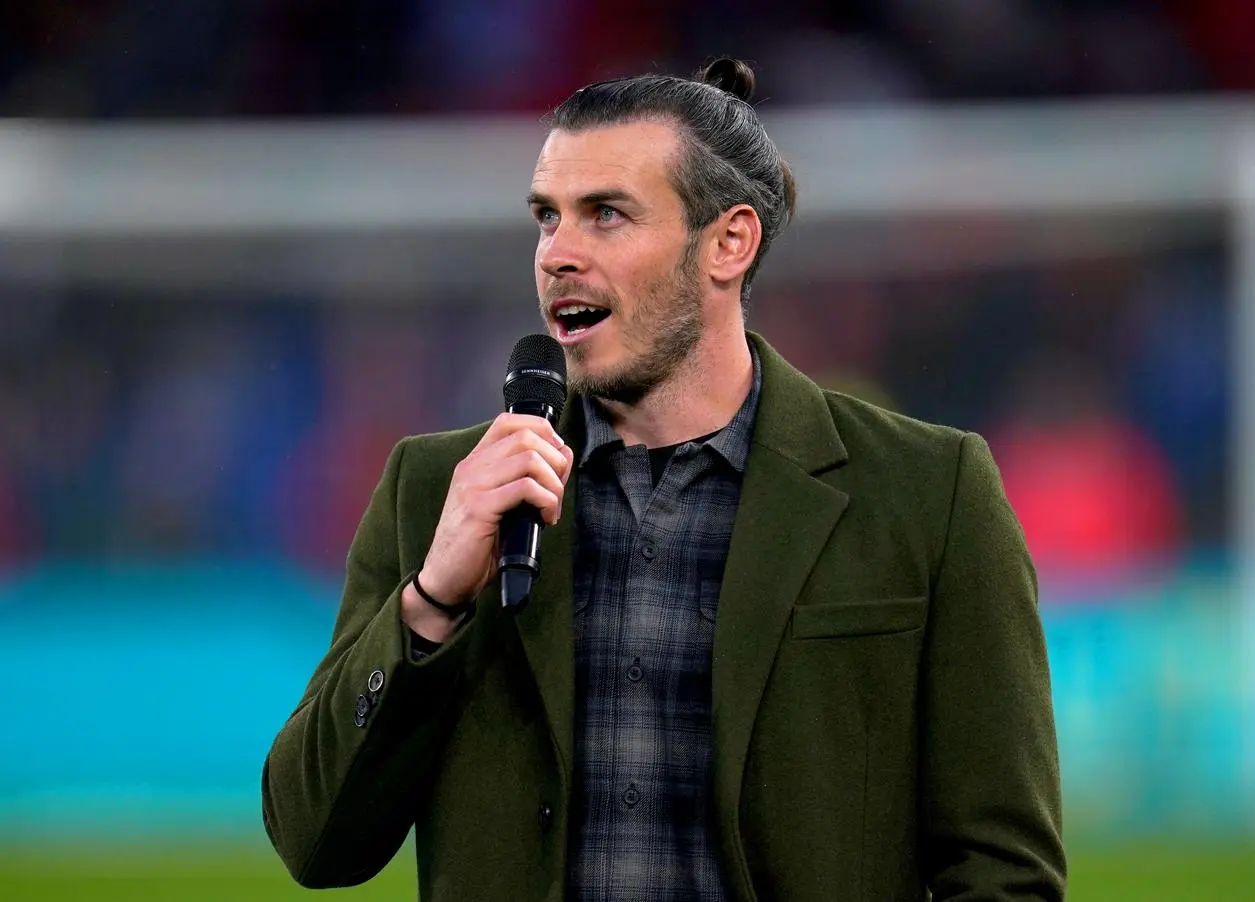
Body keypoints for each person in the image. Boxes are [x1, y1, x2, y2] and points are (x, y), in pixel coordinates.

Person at [262, 58, 1066, 901]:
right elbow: (317, 845)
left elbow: (1003, 871)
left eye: (605, 215)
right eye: (547, 218)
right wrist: (429, 604)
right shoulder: (440, 492)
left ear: (729, 243)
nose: (557, 256)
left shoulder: (926, 494)